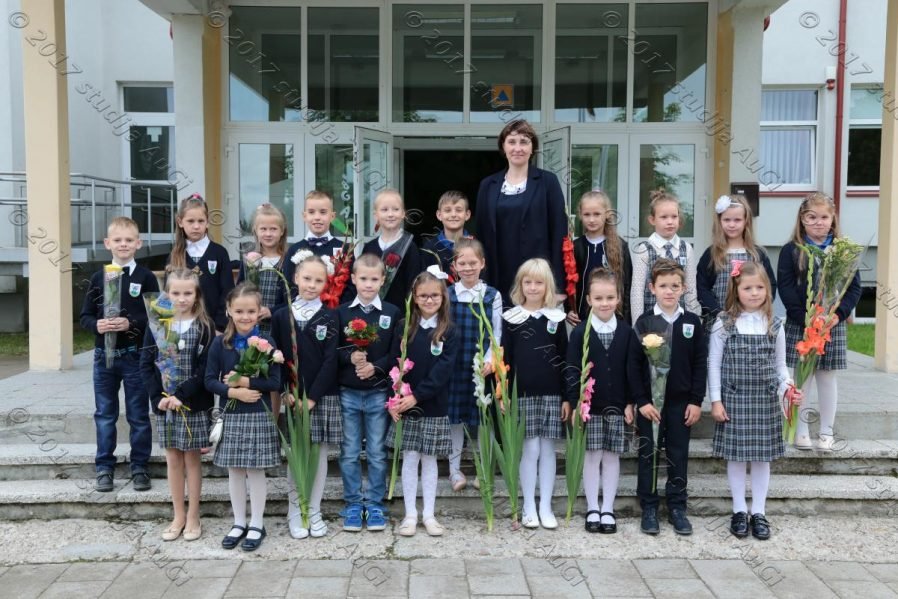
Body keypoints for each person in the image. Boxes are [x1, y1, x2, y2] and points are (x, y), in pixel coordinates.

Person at [709, 261, 801, 540]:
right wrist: (716, 400)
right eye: (747, 288)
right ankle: (739, 510)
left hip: (765, 401)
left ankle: (758, 511)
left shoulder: (775, 324)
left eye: (760, 287)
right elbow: (714, 363)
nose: (754, 293)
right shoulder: (723, 322)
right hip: (734, 400)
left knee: (762, 459)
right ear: (736, 290)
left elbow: (780, 366)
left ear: (767, 290)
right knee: (736, 458)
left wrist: (788, 388)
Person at [79, 216, 158, 493]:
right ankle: (104, 467)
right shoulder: (99, 277)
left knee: (138, 414)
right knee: (105, 413)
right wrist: (97, 325)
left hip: (135, 356)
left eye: (129, 240)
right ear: (107, 243)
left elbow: (156, 317)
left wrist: (131, 323)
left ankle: (140, 466)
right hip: (104, 357)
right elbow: (85, 316)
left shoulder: (146, 277)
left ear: (138, 243)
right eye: (117, 240)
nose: (123, 244)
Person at [777, 192, 861, 451]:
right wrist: (804, 318)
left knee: (827, 377)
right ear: (802, 219)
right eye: (811, 217)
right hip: (801, 322)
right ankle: (801, 430)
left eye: (824, 217)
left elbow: (853, 288)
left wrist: (837, 315)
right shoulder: (792, 250)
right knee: (803, 378)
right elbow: (785, 287)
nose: (818, 222)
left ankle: (826, 432)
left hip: (830, 325)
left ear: (833, 219)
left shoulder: (843, 251)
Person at [204, 283, 282, 552]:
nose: (245, 316)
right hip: (233, 414)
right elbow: (209, 380)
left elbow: (275, 382)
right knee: (235, 471)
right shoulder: (220, 343)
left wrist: (248, 382)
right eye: (239, 311)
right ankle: (239, 522)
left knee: (255, 470)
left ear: (259, 311)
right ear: (228, 310)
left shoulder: (267, 344)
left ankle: (257, 522)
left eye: (250, 311)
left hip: (258, 414)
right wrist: (233, 392)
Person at [567, 268, 646, 533]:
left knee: (612, 457)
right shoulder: (580, 332)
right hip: (590, 408)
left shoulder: (626, 332)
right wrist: (575, 403)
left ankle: (608, 509)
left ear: (618, 298)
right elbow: (572, 369)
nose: (604, 303)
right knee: (592, 457)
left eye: (610, 297)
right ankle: (592, 507)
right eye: (599, 298)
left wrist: (630, 402)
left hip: (617, 407)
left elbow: (632, 370)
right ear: (589, 299)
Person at [633, 259, 707, 536]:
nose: (669, 291)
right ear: (652, 288)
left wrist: (696, 401)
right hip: (651, 405)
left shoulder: (692, 322)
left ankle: (677, 506)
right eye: (663, 285)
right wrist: (641, 401)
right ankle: (649, 507)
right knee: (648, 454)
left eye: (675, 286)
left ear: (684, 288)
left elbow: (699, 363)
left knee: (678, 454)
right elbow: (634, 365)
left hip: (680, 403)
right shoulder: (645, 322)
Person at [140, 268, 215, 541]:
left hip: (193, 402)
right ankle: (178, 515)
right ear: (167, 294)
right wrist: (157, 397)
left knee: (192, 459)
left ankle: (194, 515)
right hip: (165, 404)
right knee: (172, 458)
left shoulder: (205, 327)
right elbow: (146, 364)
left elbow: (206, 370)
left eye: (187, 293)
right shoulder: (158, 324)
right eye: (176, 293)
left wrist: (182, 395)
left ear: (196, 295)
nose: (182, 298)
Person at [271, 254, 341, 539]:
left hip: (321, 396)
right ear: (296, 278)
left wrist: (312, 397)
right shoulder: (281, 315)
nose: (312, 285)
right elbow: (275, 357)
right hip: (291, 396)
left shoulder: (331, 316)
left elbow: (331, 361)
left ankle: (313, 510)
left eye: (318, 280)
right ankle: (294, 510)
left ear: (327, 284)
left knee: (319, 454)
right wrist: (286, 392)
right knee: (295, 453)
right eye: (307, 278)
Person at [388, 268, 459, 537]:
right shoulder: (404, 327)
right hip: (405, 405)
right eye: (423, 296)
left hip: (432, 403)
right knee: (410, 458)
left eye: (434, 296)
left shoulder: (449, 331)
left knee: (429, 459)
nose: (429, 300)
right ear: (414, 298)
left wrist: (416, 396)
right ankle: (410, 515)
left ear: (443, 297)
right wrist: (394, 400)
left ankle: (429, 514)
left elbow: (443, 371)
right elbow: (395, 364)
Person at [336, 254, 402, 532]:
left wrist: (376, 367)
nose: (368, 284)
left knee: (376, 451)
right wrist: (350, 357)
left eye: (374, 279)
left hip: (377, 393)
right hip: (349, 392)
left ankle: (374, 503)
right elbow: (334, 349)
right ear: (353, 279)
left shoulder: (392, 312)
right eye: (363, 278)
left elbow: (396, 352)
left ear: (383, 280)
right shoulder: (342, 312)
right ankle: (353, 503)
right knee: (350, 451)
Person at [501, 258, 568, 529]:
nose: (532, 287)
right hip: (522, 395)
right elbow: (504, 360)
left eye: (538, 282)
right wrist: (504, 394)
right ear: (520, 285)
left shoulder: (556, 319)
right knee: (529, 449)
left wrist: (567, 398)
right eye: (527, 282)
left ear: (547, 286)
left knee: (548, 449)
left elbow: (565, 360)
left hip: (551, 394)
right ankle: (528, 504)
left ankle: (545, 506)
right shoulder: (512, 318)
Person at [475, 119, 567, 300]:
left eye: (524, 142)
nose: (518, 148)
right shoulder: (488, 185)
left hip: (536, 277)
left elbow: (559, 233)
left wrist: (558, 285)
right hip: (497, 275)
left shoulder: (548, 182)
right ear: (503, 147)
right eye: (512, 142)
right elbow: (481, 235)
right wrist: (480, 279)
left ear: (533, 148)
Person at [446, 238, 502, 491]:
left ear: (482, 263)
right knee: (455, 419)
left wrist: (490, 360)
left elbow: (497, 333)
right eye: (462, 263)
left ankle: (485, 470)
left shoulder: (492, 295)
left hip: (482, 366)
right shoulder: (448, 294)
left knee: (483, 419)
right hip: (455, 365)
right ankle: (454, 471)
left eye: (473, 263)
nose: (468, 268)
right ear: (454, 266)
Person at [697, 194, 776, 322]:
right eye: (727, 220)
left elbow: (770, 285)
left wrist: (757, 309)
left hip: (752, 320)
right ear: (720, 221)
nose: (732, 224)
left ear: (746, 221)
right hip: (718, 321)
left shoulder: (758, 254)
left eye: (737, 220)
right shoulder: (712, 254)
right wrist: (717, 312)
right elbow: (702, 288)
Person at [630, 189, 701, 322]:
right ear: (652, 220)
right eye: (664, 217)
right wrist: (637, 325)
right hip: (651, 321)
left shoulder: (686, 249)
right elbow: (637, 291)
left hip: (680, 319)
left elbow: (691, 289)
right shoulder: (644, 249)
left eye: (674, 217)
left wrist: (693, 321)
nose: (670, 222)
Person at [166, 193, 234, 332]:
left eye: (201, 221)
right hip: (182, 327)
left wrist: (220, 326)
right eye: (190, 221)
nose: (196, 226)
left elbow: (227, 292)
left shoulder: (219, 253)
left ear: (207, 222)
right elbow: (168, 293)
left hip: (214, 328)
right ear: (180, 222)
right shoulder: (174, 255)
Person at [567, 190, 633, 326]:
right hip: (584, 318)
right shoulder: (575, 247)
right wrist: (569, 309)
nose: (591, 219)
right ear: (580, 215)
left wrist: (625, 322)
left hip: (614, 318)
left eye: (597, 214)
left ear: (607, 214)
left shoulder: (620, 246)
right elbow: (569, 283)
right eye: (587, 214)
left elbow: (627, 286)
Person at [283, 190, 355, 303]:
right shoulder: (294, 250)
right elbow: (287, 285)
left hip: (335, 311)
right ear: (304, 216)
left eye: (323, 212)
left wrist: (336, 308)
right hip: (301, 310)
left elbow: (351, 286)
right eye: (311, 212)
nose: (317, 217)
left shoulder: (344, 249)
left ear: (332, 216)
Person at [360, 189, 423, 308]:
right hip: (371, 311)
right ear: (376, 215)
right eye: (384, 210)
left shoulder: (410, 247)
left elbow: (414, 284)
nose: (390, 214)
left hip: (400, 312)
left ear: (403, 213)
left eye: (396, 209)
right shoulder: (369, 247)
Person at [237, 203, 289, 334]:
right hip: (250, 328)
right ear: (255, 230)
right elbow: (239, 292)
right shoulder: (248, 260)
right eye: (263, 229)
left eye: (273, 229)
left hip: (278, 328)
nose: (268, 234)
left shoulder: (288, 262)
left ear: (282, 231)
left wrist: (271, 311)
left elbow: (293, 299)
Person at [421, 190, 472, 277]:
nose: (453, 214)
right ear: (439, 215)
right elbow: (423, 281)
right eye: (448, 210)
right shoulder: (430, 249)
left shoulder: (475, 245)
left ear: (467, 214)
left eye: (458, 210)